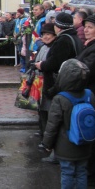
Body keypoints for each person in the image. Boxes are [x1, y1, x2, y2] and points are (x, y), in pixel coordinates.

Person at [42, 59, 95, 189]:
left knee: (67, 172)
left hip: (66, 144)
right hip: (85, 143)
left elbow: (53, 124)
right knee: (81, 171)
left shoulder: (60, 98)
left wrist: (47, 144)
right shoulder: (89, 94)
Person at [35, 12, 83, 163]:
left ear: (59, 27)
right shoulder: (74, 38)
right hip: (71, 84)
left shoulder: (63, 40)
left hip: (61, 85)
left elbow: (54, 63)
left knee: (57, 119)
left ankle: (57, 153)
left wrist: (41, 65)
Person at [76, 13, 95, 186]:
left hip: (90, 95)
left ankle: (92, 173)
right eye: (85, 26)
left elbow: (88, 70)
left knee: (92, 134)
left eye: (90, 27)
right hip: (87, 94)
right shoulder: (90, 45)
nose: (85, 29)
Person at [32, 23, 57, 138]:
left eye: (48, 34)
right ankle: (42, 131)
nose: (46, 37)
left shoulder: (55, 47)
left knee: (48, 110)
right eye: (44, 34)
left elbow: (50, 64)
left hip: (48, 82)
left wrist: (40, 66)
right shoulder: (43, 47)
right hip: (39, 82)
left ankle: (47, 136)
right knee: (40, 108)